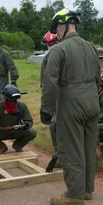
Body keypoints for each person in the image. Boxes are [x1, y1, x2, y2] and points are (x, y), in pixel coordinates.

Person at [41, 8, 100, 205]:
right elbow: (97, 77)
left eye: (57, 28)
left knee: (72, 148)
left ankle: (75, 193)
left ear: (62, 25)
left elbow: (50, 82)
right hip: (92, 102)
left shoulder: (59, 49)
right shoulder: (90, 46)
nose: (56, 33)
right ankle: (87, 189)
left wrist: (46, 109)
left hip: (71, 103)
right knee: (87, 147)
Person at [0, 84, 36, 154]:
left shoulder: (22, 106)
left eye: (15, 100)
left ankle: (18, 145)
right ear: (5, 99)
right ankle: (1, 146)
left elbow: (29, 120)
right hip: (1, 132)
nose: (13, 102)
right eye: (10, 100)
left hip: (16, 131)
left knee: (32, 132)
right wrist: (0, 129)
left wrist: (25, 125)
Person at [40, 32, 59, 171]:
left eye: (51, 44)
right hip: (51, 97)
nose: (50, 47)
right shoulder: (48, 57)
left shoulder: (61, 54)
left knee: (58, 126)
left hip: (61, 96)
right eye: (48, 45)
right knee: (54, 126)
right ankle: (60, 154)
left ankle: (61, 156)